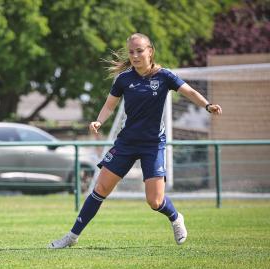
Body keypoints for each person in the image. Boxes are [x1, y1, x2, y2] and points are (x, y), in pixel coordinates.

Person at [48, 33, 222, 249]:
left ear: (150, 51)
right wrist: (98, 121)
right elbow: (109, 106)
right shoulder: (123, 79)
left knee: (155, 202)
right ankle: (72, 237)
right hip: (126, 143)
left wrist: (207, 105)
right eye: (131, 52)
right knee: (100, 188)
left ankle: (176, 217)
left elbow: (190, 91)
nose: (135, 55)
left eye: (139, 51)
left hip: (152, 144)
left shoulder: (165, 76)